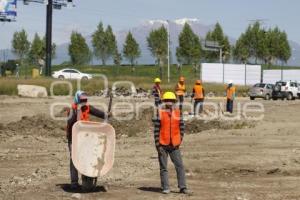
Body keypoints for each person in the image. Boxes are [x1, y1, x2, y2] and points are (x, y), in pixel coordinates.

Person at [66, 90, 109, 189]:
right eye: (82, 100)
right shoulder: (72, 109)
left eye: (85, 100)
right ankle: (74, 183)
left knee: (86, 158)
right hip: (73, 138)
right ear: (77, 99)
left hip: (85, 138)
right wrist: (77, 111)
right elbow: (71, 122)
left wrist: (106, 115)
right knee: (74, 160)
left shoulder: (87, 107)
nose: (84, 102)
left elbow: (98, 113)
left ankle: (86, 180)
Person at [153, 91, 191, 195]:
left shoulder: (178, 113)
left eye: (171, 100)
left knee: (180, 166)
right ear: (164, 101)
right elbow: (156, 130)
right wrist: (157, 145)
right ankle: (165, 187)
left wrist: (179, 140)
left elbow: (182, 127)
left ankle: (183, 187)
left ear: (174, 101)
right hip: (162, 144)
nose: (169, 102)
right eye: (167, 100)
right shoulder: (159, 113)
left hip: (175, 145)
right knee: (163, 167)